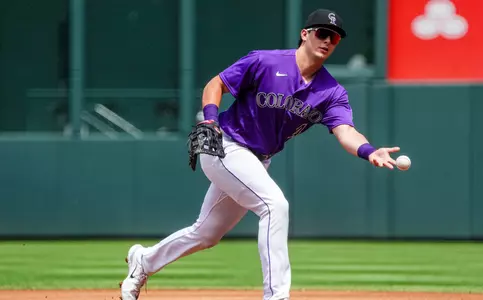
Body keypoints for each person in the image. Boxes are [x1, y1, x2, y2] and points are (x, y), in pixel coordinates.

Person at [120, 8, 400, 300]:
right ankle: (276, 296)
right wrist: (211, 119)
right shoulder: (265, 61)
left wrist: (368, 151)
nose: (328, 40)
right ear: (305, 34)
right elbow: (216, 84)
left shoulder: (331, 92)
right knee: (274, 205)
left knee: (206, 234)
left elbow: (346, 131)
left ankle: (144, 261)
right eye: (322, 33)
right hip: (225, 145)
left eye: (335, 37)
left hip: (256, 161)